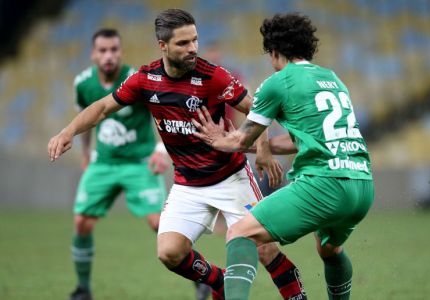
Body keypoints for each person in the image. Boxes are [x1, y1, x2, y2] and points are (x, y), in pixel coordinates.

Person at [48, 9, 307, 300]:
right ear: (163, 45)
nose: (193, 48)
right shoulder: (145, 80)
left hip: (230, 178)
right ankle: (219, 282)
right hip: (188, 185)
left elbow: (256, 109)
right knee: (169, 252)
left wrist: (264, 150)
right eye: (183, 43)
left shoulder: (213, 76)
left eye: (195, 40)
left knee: (266, 249)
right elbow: (103, 108)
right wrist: (68, 132)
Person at [193, 13, 375, 300]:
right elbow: (303, 139)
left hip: (324, 184)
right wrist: (258, 148)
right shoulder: (333, 79)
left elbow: (241, 139)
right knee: (329, 249)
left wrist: (217, 139)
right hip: (362, 184)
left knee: (240, 233)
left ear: (274, 51)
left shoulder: (277, 82)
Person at [62, 28, 172, 300]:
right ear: (93, 54)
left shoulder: (137, 79)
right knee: (82, 223)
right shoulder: (83, 84)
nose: (108, 56)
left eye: (114, 50)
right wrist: (86, 152)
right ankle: (83, 288)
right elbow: (87, 118)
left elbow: (161, 115)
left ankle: (199, 277)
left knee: (161, 224)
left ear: (121, 52)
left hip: (140, 163)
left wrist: (161, 150)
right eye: (103, 50)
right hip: (104, 163)